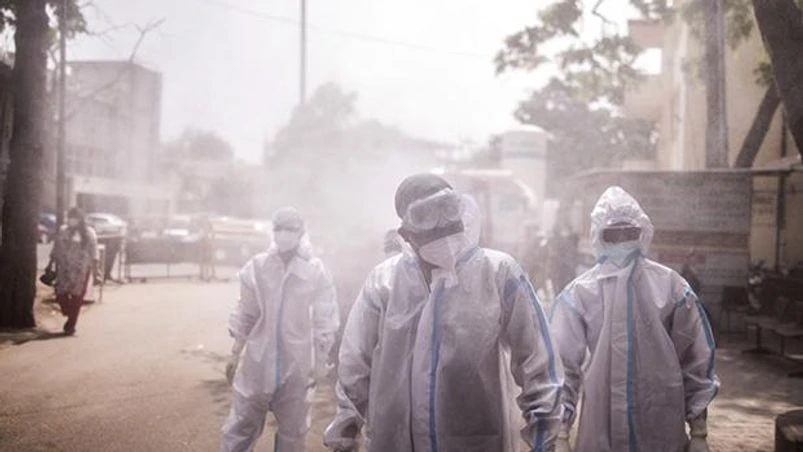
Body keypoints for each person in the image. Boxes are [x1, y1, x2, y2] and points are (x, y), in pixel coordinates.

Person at [324, 173, 564, 452]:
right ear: (406, 234)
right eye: (426, 219)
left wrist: (543, 433)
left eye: (448, 212)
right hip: (396, 440)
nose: (443, 227)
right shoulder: (384, 282)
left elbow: (537, 359)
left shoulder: (498, 274)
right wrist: (347, 423)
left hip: (478, 440)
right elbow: (356, 361)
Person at [550, 186, 719, 452]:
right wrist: (560, 431)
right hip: (601, 425)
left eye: (629, 233)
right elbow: (563, 366)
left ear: (643, 233)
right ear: (598, 236)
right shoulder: (579, 293)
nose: (621, 241)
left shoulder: (671, 287)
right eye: (613, 234)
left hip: (659, 417)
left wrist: (699, 430)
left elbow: (696, 357)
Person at [220, 207, 340, 452]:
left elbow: (324, 318)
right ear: (273, 231)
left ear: (301, 233)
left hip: (297, 365)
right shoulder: (258, 267)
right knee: (240, 427)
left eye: (290, 229)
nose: (284, 234)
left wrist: (321, 361)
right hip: (257, 361)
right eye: (279, 228)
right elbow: (246, 312)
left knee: (293, 433)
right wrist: (235, 352)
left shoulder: (314, 271)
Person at [51, 207, 99, 335]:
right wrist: (51, 263)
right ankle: (68, 311)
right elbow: (56, 248)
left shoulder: (89, 233)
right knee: (61, 293)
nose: (71, 220)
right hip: (65, 268)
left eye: (74, 218)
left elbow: (94, 253)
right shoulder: (63, 231)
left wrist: (96, 271)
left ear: (80, 219)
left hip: (81, 269)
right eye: (70, 218)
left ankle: (71, 324)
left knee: (77, 297)